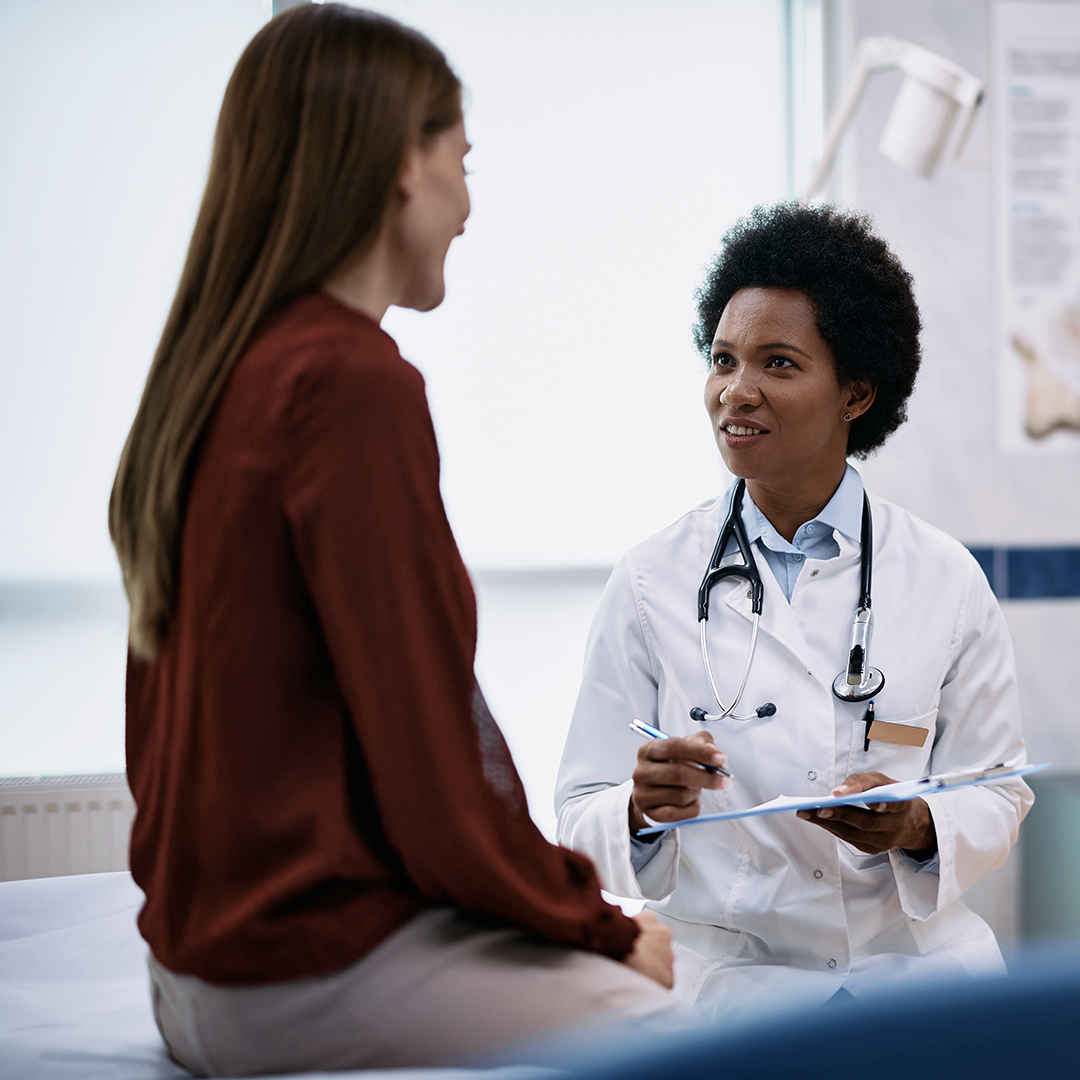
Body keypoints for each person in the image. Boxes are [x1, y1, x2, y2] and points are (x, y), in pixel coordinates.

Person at [108, 6, 680, 1075]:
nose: (470, 203)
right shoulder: (349, 384)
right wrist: (602, 926)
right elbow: (431, 766)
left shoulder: (218, 374)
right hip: (290, 970)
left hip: (191, 969)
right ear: (401, 168)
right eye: (462, 160)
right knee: (661, 1026)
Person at [555, 202, 1034, 1022]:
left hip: (912, 988)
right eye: (723, 360)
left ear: (856, 391)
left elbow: (999, 791)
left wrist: (917, 823)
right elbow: (577, 811)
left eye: (777, 363)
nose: (735, 393)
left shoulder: (944, 579)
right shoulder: (649, 580)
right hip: (733, 997)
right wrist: (638, 809)